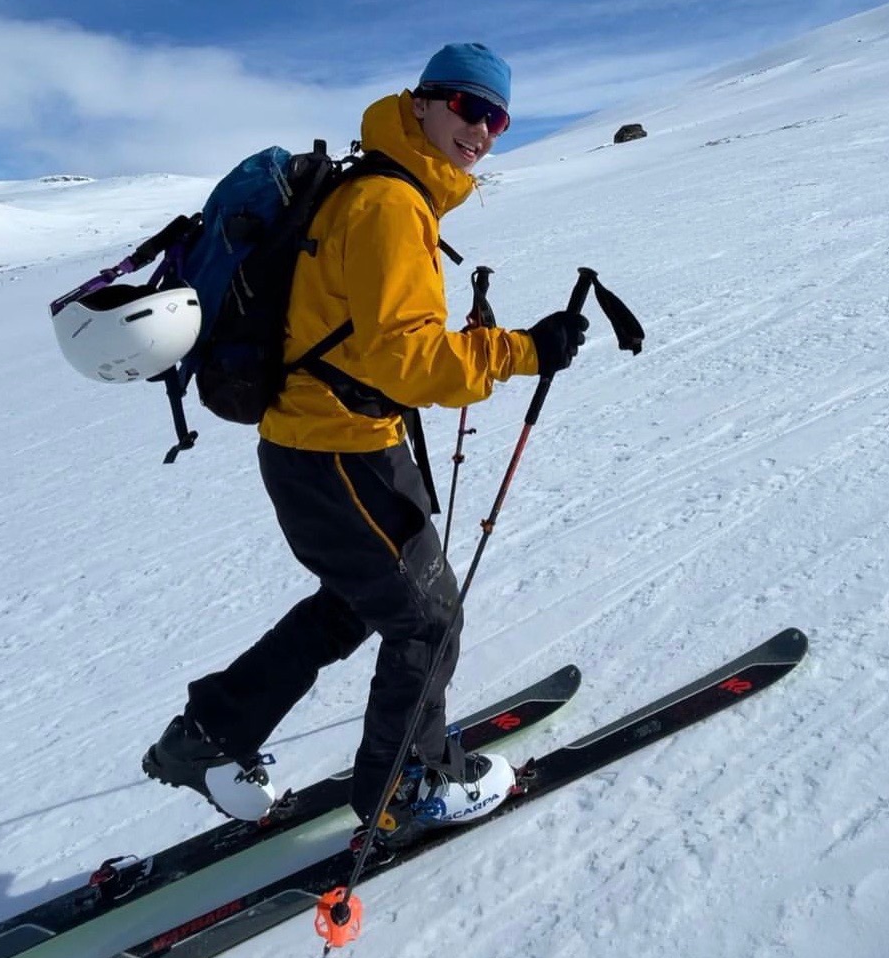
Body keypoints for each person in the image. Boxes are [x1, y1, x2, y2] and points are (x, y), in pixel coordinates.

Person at [143, 43, 588, 847]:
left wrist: (478, 346)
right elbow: (405, 359)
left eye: (498, 118)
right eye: (467, 106)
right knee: (426, 618)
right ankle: (405, 787)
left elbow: (370, 338)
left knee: (358, 603)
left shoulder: (380, 188)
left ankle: (209, 734)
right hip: (338, 452)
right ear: (421, 102)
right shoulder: (388, 203)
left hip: (324, 443)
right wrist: (523, 350)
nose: (482, 130)